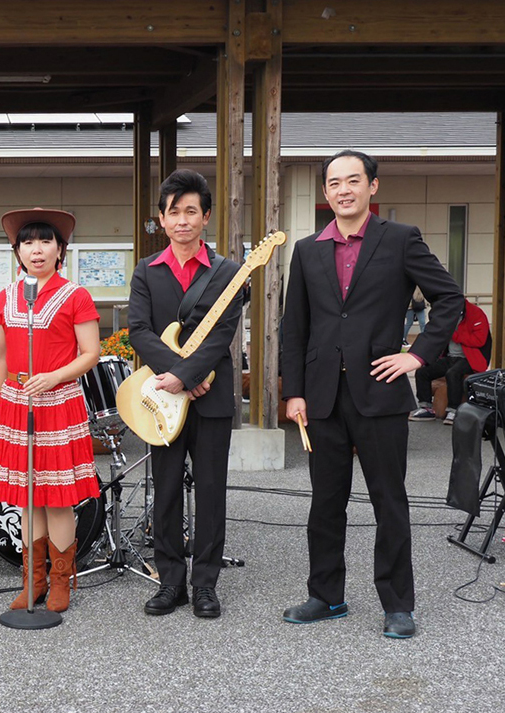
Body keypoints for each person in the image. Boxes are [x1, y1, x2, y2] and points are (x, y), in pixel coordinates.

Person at [281, 150, 463, 639]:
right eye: (334, 182)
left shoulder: (400, 239)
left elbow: (449, 298)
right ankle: (326, 596)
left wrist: (417, 355)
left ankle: (398, 605)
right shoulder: (307, 249)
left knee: (389, 500)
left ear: (372, 186)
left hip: (380, 392)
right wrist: (293, 392)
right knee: (325, 502)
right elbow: (294, 326)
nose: (343, 190)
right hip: (321, 396)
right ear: (325, 191)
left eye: (353, 180)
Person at [127, 169, 242, 619]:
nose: (182, 220)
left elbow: (223, 332)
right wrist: (179, 376)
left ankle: (205, 584)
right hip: (163, 396)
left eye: (191, 211)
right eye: (173, 212)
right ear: (161, 218)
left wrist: (185, 376)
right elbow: (139, 330)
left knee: (212, 492)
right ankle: (170, 581)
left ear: (206, 216)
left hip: (211, 399)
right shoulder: (146, 270)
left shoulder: (227, 272)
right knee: (167, 490)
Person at [0, 207, 101, 613]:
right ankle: (33, 581)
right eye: (28, 242)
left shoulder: (76, 296)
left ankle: (60, 582)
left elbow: (91, 353)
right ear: (17, 251)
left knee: (57, 498)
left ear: (60, 249)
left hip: (59, 403)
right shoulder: (7, 296)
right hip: (16, 403)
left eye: (45, 241)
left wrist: (53, 377)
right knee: (28, 497)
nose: (36, 250)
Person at [410, 298, 492, 425]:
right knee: (422, 371)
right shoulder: (446, 315)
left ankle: (454, 410)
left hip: (471, 359)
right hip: (450, 357)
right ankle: (426, 408)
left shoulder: (476, 314)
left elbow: (479, 340)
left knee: (453, 373)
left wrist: (455, 335)